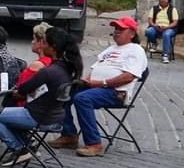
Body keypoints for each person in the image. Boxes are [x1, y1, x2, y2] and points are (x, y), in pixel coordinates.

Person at [50, 16, 149, 157]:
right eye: (115, 29)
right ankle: (69, 135)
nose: (116, 32)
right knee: (63, 91)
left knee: (82, 99)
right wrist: (84, 81)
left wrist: (102, 83)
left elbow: (129, 76)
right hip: (95, 87)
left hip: (116, 92)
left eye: (121, 29)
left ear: (132, 33)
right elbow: (95, 69)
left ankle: (94, 143)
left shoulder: (135, 50)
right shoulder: (110, 49)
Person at [0, 27, 83, 166]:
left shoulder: (49, 71)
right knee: (7, 115)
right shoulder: (68, 69)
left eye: (44, 43)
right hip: (56, 116)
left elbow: (23, 89)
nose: (42, 46)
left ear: (53, 47)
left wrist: (17, 92)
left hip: (37, 116)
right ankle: (27, 145)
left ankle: (19, 149)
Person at [16, 23, 54, 94]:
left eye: (34, 39)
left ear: (41, 42)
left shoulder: (37, 65)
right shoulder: (53, 60)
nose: (32, 42)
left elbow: (21, 90)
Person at [145, 0, 180, 64]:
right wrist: (155, 26)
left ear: (169, 1)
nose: (163, 0)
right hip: (156, 27)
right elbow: (150, 20)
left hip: (169, 28)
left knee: (166, 34)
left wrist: (166, 27)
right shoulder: (154, 8)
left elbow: (175, 22)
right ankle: (154, 43)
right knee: (148, 31)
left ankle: (165, 55)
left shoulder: (173, 9)